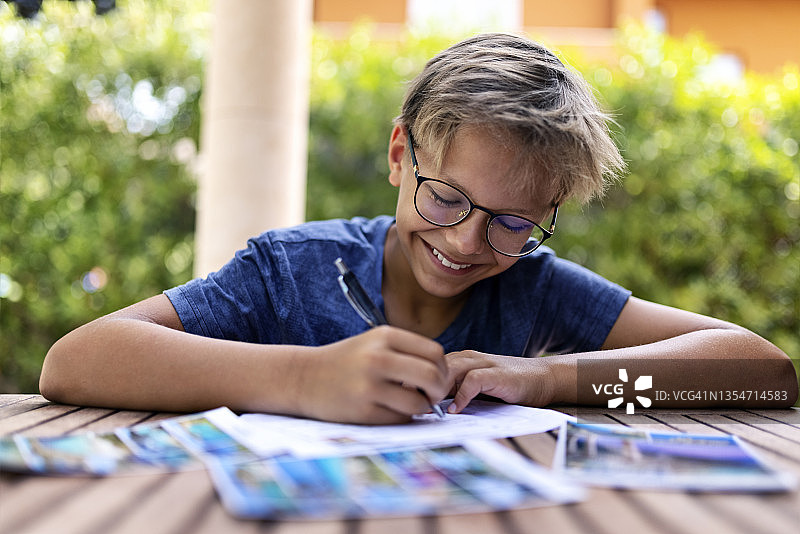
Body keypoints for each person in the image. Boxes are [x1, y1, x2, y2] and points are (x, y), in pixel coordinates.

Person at [39, 33, 797, 424]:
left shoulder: (535, 290)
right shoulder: (291, 272)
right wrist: (302, 379)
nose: (468, 242)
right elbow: (75, 363)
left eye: (512, 223)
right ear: (402, 155)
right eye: (447, 199)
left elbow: (763, 375)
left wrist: (552, 377)